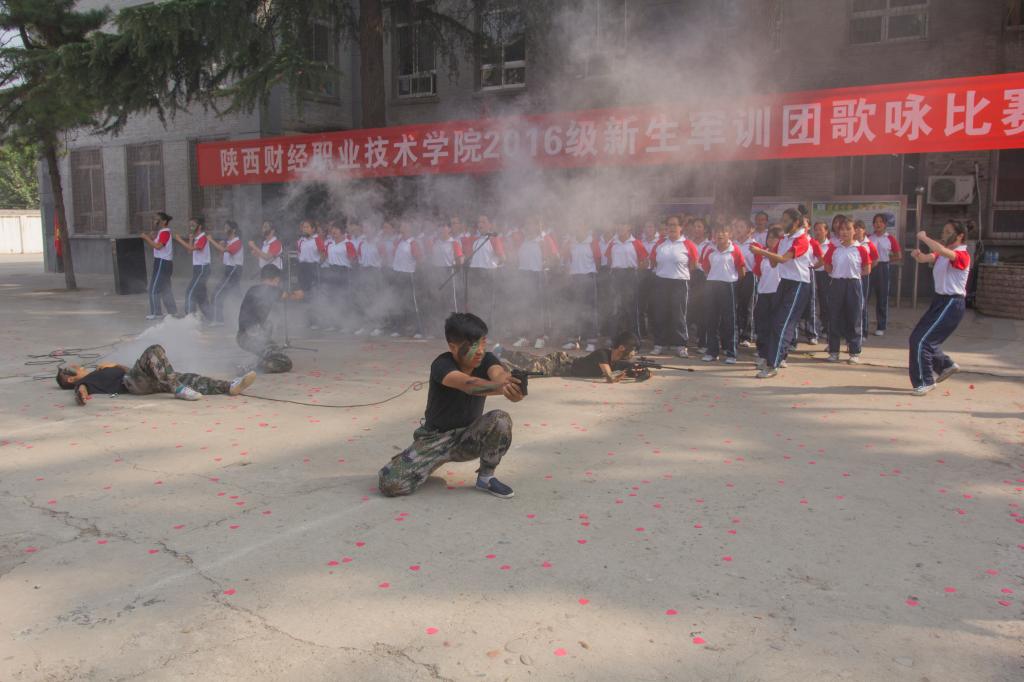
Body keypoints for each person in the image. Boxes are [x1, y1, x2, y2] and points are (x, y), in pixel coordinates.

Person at [378, 313, 523, 498]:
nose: (480, 351)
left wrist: (513, 387)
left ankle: (486, 478)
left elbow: (499, 375)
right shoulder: (442, 365)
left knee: (500, 419)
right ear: (453, 347)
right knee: (390, 484)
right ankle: (413, 459)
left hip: (468, 437)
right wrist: (503, 388)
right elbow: (469, 385)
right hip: (434, 438)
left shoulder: (487, 360)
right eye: (473, 345)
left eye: (483, 343)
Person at [56, 344, 256, 405]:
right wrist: (81, 395)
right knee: (154, 350)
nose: (80, 366)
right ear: (71, 378)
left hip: (142, 380)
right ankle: (178, 389)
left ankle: (229, 386)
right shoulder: (86, 381)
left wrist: (115, 364)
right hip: (132, 383)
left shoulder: (99, 371)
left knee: (188, 377)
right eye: (74, 368)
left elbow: (128, 369)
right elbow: (81, 390)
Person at [907, 221, 971, 396]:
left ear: (960, 236)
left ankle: (925, 381)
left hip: (952, 303)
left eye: (948, 231)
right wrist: (918, 255)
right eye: (944, 231)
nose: (944, 234)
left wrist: (924, 237)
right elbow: (928, 257)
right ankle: (945, 365)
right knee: (917, 338)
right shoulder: (942, 253)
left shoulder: (962, 255)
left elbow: (941, 251)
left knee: (922, 341)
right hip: (940, 301)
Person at [749, 208, 812, 378]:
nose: (782, 223)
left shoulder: (801, 240)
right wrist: (766, 252)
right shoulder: (784, 239)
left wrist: (761, 252)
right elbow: (774, 263)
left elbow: (783, 259)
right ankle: (774, 356)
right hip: (784, 282)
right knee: (774, 321)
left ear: (796, 222)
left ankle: (773, 364)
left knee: (781, 323)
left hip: (798, 284)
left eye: (786, 220)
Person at [499, 330, 639, 383]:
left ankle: (503, 352)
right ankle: (497, 365)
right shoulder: (603, 354)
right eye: (633, 350)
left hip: (562, 368)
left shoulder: (616, 361)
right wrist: (615, 377)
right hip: (559, 363)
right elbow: (609, 377)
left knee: (530, 362)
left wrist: (639, 371)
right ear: (621, 348)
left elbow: (629, 367)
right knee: (526, 372)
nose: (634, 353)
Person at [823, 218, 871, 364]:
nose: (844, 232)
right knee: (834, 317)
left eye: (848, 229)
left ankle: (854, 352)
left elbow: (867, 269)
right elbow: (827, 266)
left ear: (854, 231)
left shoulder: (860, 249)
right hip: (837, 283)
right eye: (842, 229)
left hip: (854, 284)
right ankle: (834, 351)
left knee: (854, 317)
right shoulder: (834, 248)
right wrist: (837, 274)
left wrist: (853, 275)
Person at [649, 215, 698, 357]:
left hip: (679, 282)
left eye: (675, 225)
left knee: (679, 315)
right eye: (669, 225)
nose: (671, 228)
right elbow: (653, 261)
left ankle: (681, 345)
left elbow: (693, 265)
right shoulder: (660, 243)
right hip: (661, 281)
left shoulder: (688, 244)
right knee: (660, 314)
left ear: (681, 227)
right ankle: (659, 344)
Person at [237, 265, 300, 373]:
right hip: (251, 337)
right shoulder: (269, 289)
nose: (278, 284)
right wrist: (297, 291)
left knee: (269, 328)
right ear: (275, 279)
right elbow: (294, 296)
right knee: (285, 362)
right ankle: (249, 368)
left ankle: (254, 363)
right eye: (277, 281)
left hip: (245, 336)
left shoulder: (254, 289)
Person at [700, 223, 746, 364]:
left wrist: (730, 279)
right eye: (717, 232)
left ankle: (731, 353)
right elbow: (706, 268)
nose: (719, 235)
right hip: (712, 285)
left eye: (723, 232)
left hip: (728, 286)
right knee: (711, 320)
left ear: (729, 234)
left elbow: (742, 270)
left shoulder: (735, 250)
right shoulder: (710, 250)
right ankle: (712, 352)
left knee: (729, 320)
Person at [560, 220, 602, 353]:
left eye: (581, 225)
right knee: (574, 310)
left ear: (586, 227)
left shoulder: (592, 242)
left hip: (588, 278)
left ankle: (591, 341)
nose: (578, 228)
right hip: (574, 278)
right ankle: (573, 340)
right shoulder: (570, 242)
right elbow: (565, 259)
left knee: (590, 310)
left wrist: (590, 273)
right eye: (576, 225)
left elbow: (598, 261)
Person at [604, 220, 648, 343]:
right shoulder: (613, 243)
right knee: (616, 308)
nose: (620, 227)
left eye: (623, 224)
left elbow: (645, 261)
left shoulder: (636, 243)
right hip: (616, 275)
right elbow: (609, 261)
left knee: (632, 308)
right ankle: (614, 338)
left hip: (630, 275)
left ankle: (635, 340)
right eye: (618, 224)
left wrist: (635, 271)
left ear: (629, 227)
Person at [753, 226, 785, 368]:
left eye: (775, 238)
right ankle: (763, 354)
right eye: (769, 237)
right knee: (763, 326)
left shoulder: (784, 254)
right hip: (764, 293)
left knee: (777, 326)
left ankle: (780, 356)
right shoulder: (762, 255)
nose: (771, 240)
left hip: (779, 294)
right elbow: (758, 272)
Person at [867, 214, 901, 336]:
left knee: (882, 298)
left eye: (881, 222)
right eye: (876, 222)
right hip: (870, 267)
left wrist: (886, 261)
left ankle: (881, 326)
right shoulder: (868, 238)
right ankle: (863, 326)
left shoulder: (890, 238)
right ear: (873, 224)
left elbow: (898, 255)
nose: (878, 224)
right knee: (865, 296)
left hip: (883, 268)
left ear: (885, 224)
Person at [140, 212, 177, 320]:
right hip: (162, 262)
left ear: (164, 221)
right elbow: (157, 245)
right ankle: (172, 311)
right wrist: (152, 238)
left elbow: (158, 246)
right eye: (154, 219)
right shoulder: (161, 232)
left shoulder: (165, 232)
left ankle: (156, 313)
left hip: (163, 262)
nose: (155, 221)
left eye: (157, 219)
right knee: (165, 288)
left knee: (154, 288)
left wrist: (146, 238)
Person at [173, 217, 212, 319]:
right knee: (201, 295)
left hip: (202, 269)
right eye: (190, 224)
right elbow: (190, 251)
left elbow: (191, 248)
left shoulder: (203, 237)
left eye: (193, 225)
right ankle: (211, 316)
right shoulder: (197, 238)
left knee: (190, 292)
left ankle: (189, 316)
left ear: (200, 226)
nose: (191, 226)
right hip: (198, 269)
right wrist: (190, 239)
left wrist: (179, 240)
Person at [208, 220, 244, 327]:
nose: (225, 229)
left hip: (234, 270)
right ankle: (243, 316)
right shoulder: (229, 242)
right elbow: (222, 257)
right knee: (236, 295)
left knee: (217, 294)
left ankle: (218, 320)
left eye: (227, 227)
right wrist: (221, 247)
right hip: (229, 269)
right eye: (224, 227)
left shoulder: (237, 242)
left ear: (233, 230)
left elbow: (226, 251)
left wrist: (211, 240)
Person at [734, 219, 759, 348]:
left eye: (742, 226)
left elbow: (759, 263)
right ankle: (736, 333)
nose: (738, 229)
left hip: (749, 276)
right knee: (735, 305)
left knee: (748, 305)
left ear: (749, 230)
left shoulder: (754, 245)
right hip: (735, 276)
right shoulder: (733, 244)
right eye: (737, 226)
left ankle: (747, 335)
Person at [853, 219, 880, 341]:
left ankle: (863, 331)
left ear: (864, 230)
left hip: (863, 276)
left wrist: (865, 269)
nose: (858, 230)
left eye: (860, 228)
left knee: (862, 302)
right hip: (851, 276)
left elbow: (875, 259)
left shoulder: (869, 244)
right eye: (856, 228)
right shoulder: (851, 243)